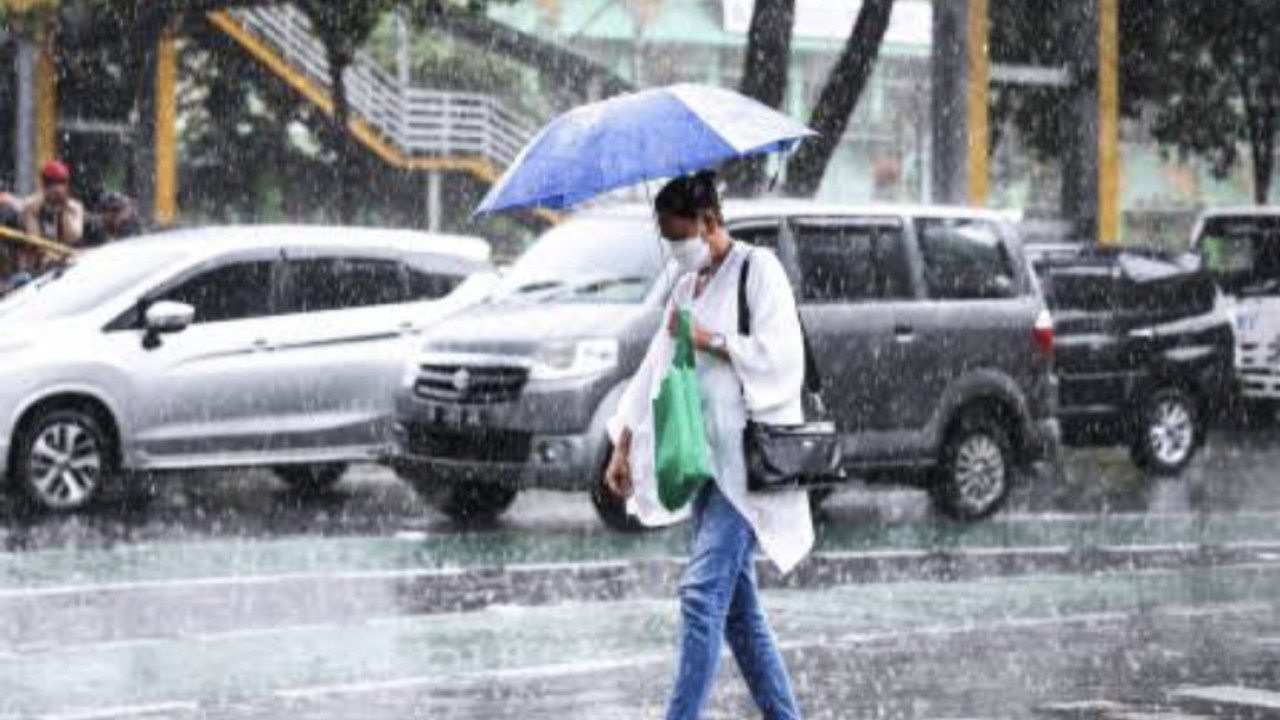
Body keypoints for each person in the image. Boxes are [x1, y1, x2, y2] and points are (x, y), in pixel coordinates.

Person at [604, 171, 813, 720]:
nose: (676, 251)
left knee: (700, 597)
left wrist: (710, 340)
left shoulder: (757, 271)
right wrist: (622, 445)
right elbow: (653, 369)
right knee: (739, 616)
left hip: (747, 466)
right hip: (703, 463)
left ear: (710, 222)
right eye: (668, 240)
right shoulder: (685, 287)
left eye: (681, 237)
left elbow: (782, 358)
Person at [21, 160, 84, 247]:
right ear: (44, 185)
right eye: (53, 183)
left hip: (69, 256)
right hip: (42, 256)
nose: (57, 189)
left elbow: (73, 238)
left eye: (61, 182)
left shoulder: (75, 208)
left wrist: (64, 211)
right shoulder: (32, 206)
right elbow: (34, 239)